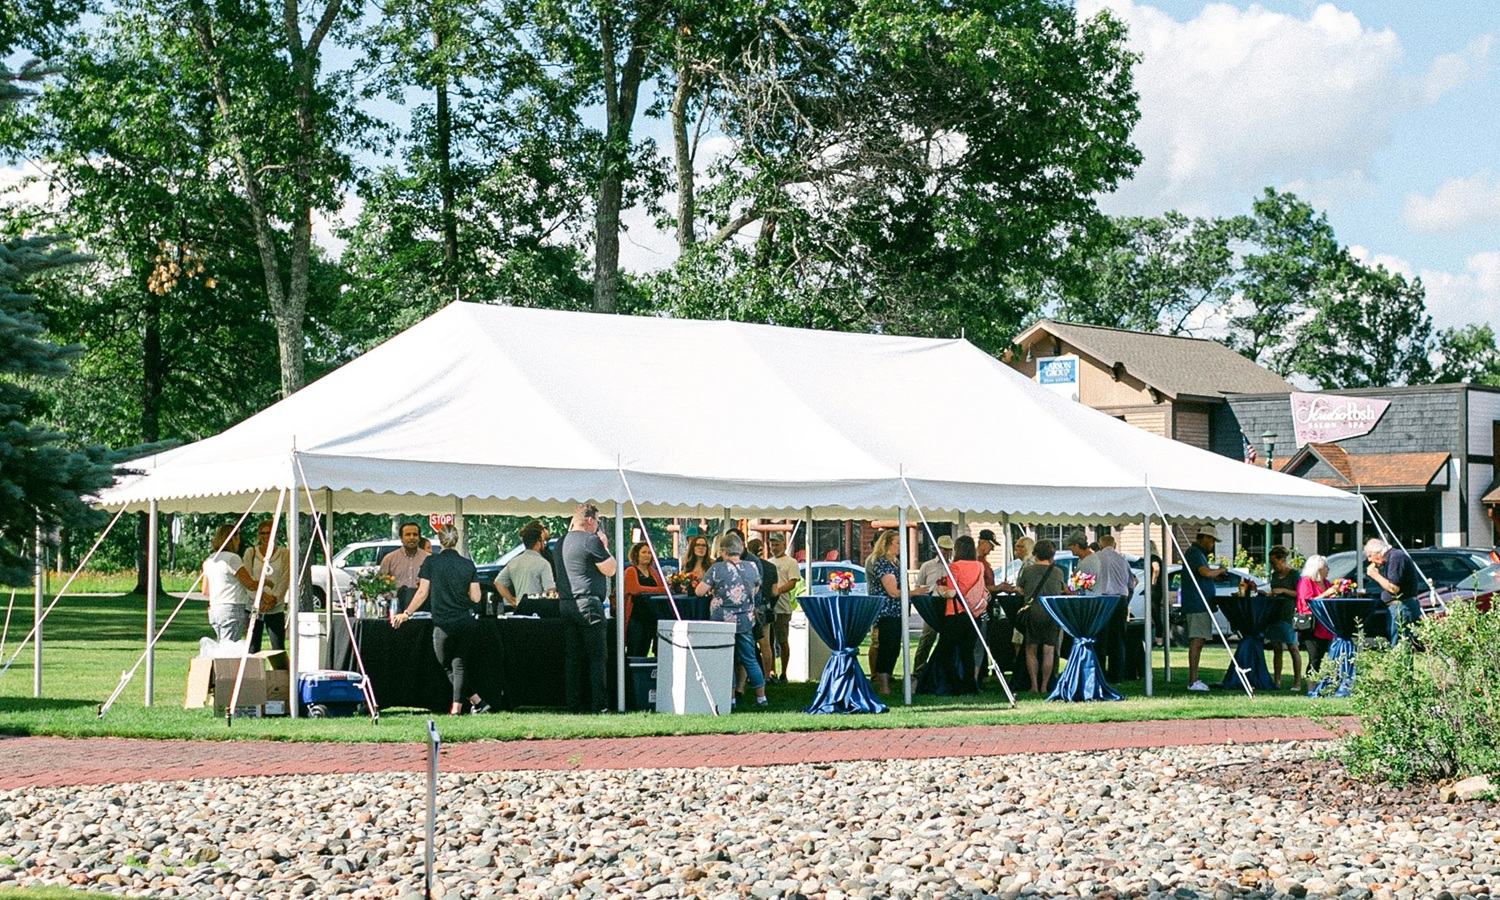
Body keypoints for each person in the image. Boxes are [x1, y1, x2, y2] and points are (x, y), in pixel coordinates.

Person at [392, 524, 487, 715]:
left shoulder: (431, 563)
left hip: (443, 623)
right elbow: (476, 597)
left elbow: (422, 593)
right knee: (458, 664)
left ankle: (457, 708)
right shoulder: (467, 564)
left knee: (445, 664)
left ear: (439, 539)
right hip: (465, 621)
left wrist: (406, 613)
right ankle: (477, 702)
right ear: (457, 539)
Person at [695, 532, 767, 708]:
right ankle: (761, 698)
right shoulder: (752, 566)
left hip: (722, 620)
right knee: (749, 658)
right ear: (740, 549)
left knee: (726, 658)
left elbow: (699, 592)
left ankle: (731, 699)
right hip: (745, 619)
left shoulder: (717, 568)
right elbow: (756, 590)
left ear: (723, 551)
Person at [556, 503, 616, 713]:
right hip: (589, 604)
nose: (597, 525)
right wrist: (605, 546)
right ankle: (599, 704)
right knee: (597, 656)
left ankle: (573, 704)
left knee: (572, 657)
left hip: (566, 603)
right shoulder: (591, 541)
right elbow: (610, 569)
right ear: (590, 520)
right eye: (597, 521)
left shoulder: (561, 542)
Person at [865, 529, 929, 695]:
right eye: (897, 543)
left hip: (897, 612)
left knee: (894, 648)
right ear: (887, 544)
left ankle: (887, 681)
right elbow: (892, 591)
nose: (901, 546)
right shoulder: (881, 563)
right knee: (887, 647)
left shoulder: (896, 562)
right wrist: (915, 592)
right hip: (887, 612)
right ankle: (883, 686)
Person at [930, 534, 985, 691]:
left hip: (955, 613)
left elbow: (952, 593)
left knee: (946, 651)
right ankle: (970, 685)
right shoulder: (979, 566)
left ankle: (955, 683)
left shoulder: (955, 567)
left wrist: (941, 590)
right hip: (973, 614)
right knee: (967, 652)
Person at [1015, 539, 1066, 694]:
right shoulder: (1058, 572)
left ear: (1035, 553)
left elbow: (1020, 588)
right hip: (1052, 614)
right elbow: (1062, 589)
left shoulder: (1028, 571)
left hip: (1033, 613)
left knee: (1031, 649)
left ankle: (1034, 685)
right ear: (1052, 555)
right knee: (1049, 651)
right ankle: (1045, 685)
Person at [1183, 525, 1227, 692]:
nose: (1213, 544)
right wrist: (1219, 570)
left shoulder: (1198, 554)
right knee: (1197, 640)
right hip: (1197, 603)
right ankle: (1193, 681)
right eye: (1212, 540)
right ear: (1205, 538)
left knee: (1199, 640)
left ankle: (1194, 679)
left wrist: (1217, 576)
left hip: (1202, 603)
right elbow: (1204, 573)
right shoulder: (1195, 553)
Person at [202, 524, 260, 643]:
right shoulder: (233, 558)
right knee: (229, 648)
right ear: (232, 538)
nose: (239, 541)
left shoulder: (209, 560)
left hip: (215, 608)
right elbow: (249, 584)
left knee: (222, 644)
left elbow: (205, 590)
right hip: (232, 608)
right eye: (238, 537)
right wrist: (265, 582)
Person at [1091, 533, 1137, 682]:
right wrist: (1126, 602)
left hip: (1102, 599)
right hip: (1120, 599)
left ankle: (1099, 673)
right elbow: (1131, 585)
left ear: (1100, 545)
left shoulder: (1096, 558)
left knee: (1100, 638)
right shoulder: (1123, 561)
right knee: (1118, 639)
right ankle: (1116, 674)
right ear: (1114, 545)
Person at [241, 518, 288, 653]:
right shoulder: (251, 553)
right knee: (252, 646)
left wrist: (273, 600)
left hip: (275, 607)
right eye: (263, 533)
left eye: (269, 533)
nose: (266, 536)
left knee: (278, 647)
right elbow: (247, 579)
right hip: (254, 606)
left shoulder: (284, 554)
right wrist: (262, 597)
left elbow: (285, 579)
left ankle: (281, 673)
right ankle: (254, 673)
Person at [911, 535, 955, 678]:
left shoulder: (953, 566)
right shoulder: (927, 566)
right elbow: (918, 586)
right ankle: (918, 670)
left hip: (947, 605)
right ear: (937, 549)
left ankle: (942, 670)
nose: (947, 553)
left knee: (947, 639)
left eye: (949, 550)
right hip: (932, 605)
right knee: (927, 637)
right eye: (944, 550)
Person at [1365, 538, 1421, 644]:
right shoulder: (1391, 559)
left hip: (1402, 607)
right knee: (1396, 641)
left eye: (1369, 556)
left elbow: (1393, 588)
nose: (1369, 560)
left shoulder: (1396, 558)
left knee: (1400, 643)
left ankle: (1401, 661)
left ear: (1377, 552)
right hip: (1398, 607)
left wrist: (1375, 575)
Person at [1265, 545, 1303, 691]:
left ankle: (1297, 682)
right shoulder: (1274, 576)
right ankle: (1277, 681)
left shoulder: (1293, 574)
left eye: (1274, 563)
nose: (1273, 567)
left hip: (1289, 614)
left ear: (1282, 560)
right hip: (1275, 613)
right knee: (1276, 648)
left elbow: (1300, 594)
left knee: (1293, 647)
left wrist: (1284, 591)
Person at [1296, 554, 1338, 683]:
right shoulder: (1306, 582)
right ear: (1318, 568)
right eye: (1326, 567)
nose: (1328, 569)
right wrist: (1327, 594)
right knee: (1314, 658)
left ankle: (1324, 683)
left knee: (1322, 657)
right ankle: (1311, 686)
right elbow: (1307, 602)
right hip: (1312, 625)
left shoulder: (1326, 582)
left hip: (1325, 624)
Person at [494, 520, 555, 608]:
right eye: (542, 542)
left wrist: (512, 601)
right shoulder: (543, 563)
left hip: (520, 608)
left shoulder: (513, 562)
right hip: (538, 608)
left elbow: (498, 582)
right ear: (538, 543)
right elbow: (550, 590)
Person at [767, 534, 801, 683]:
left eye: (777, 545)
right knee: (769, 641)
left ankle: (784, 672)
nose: (774, 548)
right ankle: (771, 671)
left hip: (782, 607)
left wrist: (778, 591)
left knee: (782, 640)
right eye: (772, 545)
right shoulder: (768, 563)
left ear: (783, 544)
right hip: (769, 607)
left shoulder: (791, 562)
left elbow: (793, 582)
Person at [623, 541, 666, 657]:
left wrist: (657, 589)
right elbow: (635, 589)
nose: (647, 555)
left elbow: (664, 589)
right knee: (635, 650)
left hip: (651, 618)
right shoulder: (630, 571)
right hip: (636, 618)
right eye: (644, 552)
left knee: (647, 650)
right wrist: (657, 590)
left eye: (649, 553)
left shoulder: (653, 572)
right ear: (636, 554)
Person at [379, 522, 430, 614]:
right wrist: (390, 597)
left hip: (422, 607)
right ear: (401, 538)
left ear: (419, 538)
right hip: (396, 607)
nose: (411, 537)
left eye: (415, 534)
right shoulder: (390, 559)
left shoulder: (428, 558)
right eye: (408, 534)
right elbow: (380, 584)